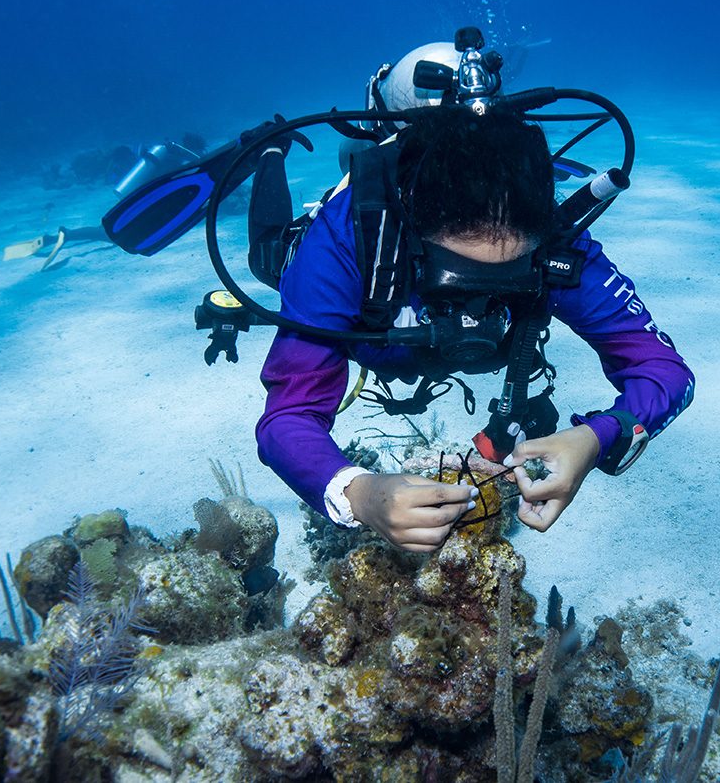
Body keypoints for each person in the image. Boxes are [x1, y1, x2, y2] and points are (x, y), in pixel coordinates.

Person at [254, 59, 694, 553]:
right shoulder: (344, 244)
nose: (478, 306)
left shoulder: (558, 246)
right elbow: (286, 417)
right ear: (414, 241)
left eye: (507, 278)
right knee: (267, 256)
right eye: (458, 281)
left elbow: (665, 370)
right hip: (338, 249)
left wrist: (597, 438)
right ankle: (270, 146)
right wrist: (357, 492)